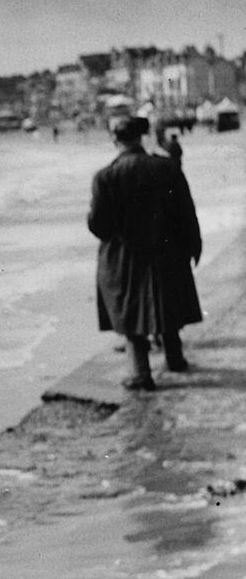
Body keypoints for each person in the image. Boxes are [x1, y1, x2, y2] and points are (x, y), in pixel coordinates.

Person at [88, 116, 203, 391]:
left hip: (125, 256)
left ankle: (140, 373)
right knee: (167, 301)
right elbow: (187, 212)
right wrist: (193, 245)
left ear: (116, 140)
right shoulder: (167, 167)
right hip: (167, 249)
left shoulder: (106, 177)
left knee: (130, 311)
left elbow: (99, 226)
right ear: (141, 137)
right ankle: (175, 358)